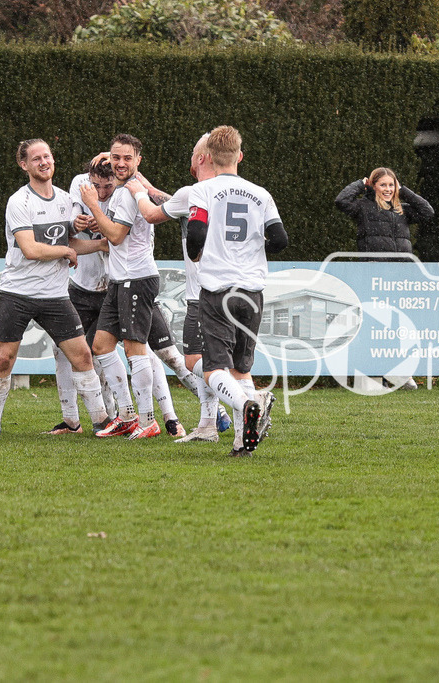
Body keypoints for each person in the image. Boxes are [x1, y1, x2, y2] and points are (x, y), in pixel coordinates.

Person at [0, 139, 110, 437]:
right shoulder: (18, 202)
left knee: (83, 357)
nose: (44, 162)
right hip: (17, 294)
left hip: (55, 296)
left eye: (47, 156)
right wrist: (65, 252)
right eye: (36, 159)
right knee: (5, 359)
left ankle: (101, 422)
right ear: (24, 165)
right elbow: (31, 249)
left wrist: (100, 243)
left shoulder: (63, 199)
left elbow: (69, 243)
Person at [186, 125, 286, 456]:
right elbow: (281, 239)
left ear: (210, 158)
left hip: (218, 288)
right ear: (240, 156)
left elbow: (197, 232)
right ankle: (243, 441)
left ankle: (246, 403)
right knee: (241, 368)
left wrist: (197, 254)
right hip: (252, 291)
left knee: (214, 367)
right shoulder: (262, 194)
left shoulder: (203, 190)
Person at [125, 133, 233, 443]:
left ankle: (242, 399)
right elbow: (170, 200)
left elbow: (151, 213)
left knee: (195, 361)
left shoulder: (194, 192)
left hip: (202, 294)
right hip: (234, 291)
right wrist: (138, 177)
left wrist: (135, 191)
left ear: (201, 159)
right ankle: (209, 424)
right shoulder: (227, 192)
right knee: (222, 360)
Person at [81, 133, 173, 439]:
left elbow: (117, 236)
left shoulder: (129, 193)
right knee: (101, 346)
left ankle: (149, 421)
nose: (120, 163)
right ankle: (128, 415)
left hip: (137, 279)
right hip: (120, 281)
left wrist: (93, 205)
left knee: (136, 350)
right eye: (115, 157)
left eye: (127, 158)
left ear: (137, 161)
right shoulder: (128, 188)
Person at [334, 167, 434, 390]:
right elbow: (341, 201)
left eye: (391, 185)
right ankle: (367, 377)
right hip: (373, 274)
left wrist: (404, 191)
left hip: (400, 276)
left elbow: (428, 212)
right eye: (383, 185)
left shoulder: (403, 210)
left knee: (399, 327)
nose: (388, 189)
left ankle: (399, 375)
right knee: (373, 326)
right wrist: (361, 184)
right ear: (374, 186)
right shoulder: (363, 207)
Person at [45, 158, 119, 434]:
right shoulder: (79, 182)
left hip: (118, 285)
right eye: (97, 184)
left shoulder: (129, 190)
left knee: (148, 352)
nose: (101, 191)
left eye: (107, 185)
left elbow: (125, 237)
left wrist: (106, 227)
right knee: (62, 349)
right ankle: (71, 420)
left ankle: (159, 418)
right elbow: (69, 232)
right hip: (82, 286)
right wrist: (77, 223)